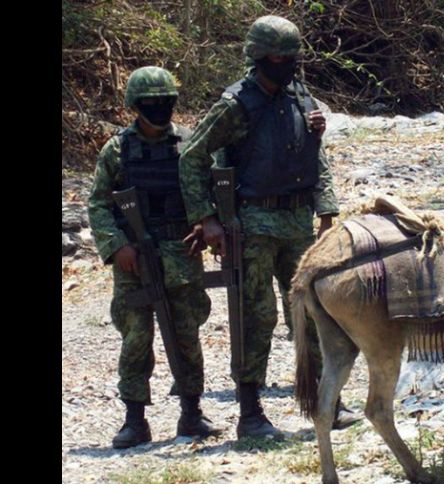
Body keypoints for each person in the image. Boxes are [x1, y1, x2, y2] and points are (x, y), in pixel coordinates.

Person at [178, 15, 360, 439]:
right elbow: (192, 158)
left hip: (298, 220)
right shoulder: (236, 103)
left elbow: (316, 156)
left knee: (316, 312)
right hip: (252, 223)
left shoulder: (300, 95)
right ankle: (250, 413)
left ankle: (326, 402)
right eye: (277, 57)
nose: (285, 65)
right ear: (258, 57)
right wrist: (206, 219)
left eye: (291, 57)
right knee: (256, 316)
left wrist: (327, 210)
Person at [87, 66, 220, 449]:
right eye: (151, 103)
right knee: (135, 336)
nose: (160, 108)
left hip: (181, 250)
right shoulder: (117, 149)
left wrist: (206, 224)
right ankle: (134, 419)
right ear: (135, 106)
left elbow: (206, 191)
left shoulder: (188, 144)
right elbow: (98, 204)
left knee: (187, 332)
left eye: (166, 102)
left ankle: (192, 413)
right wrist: (116, 245)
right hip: (135, 258)